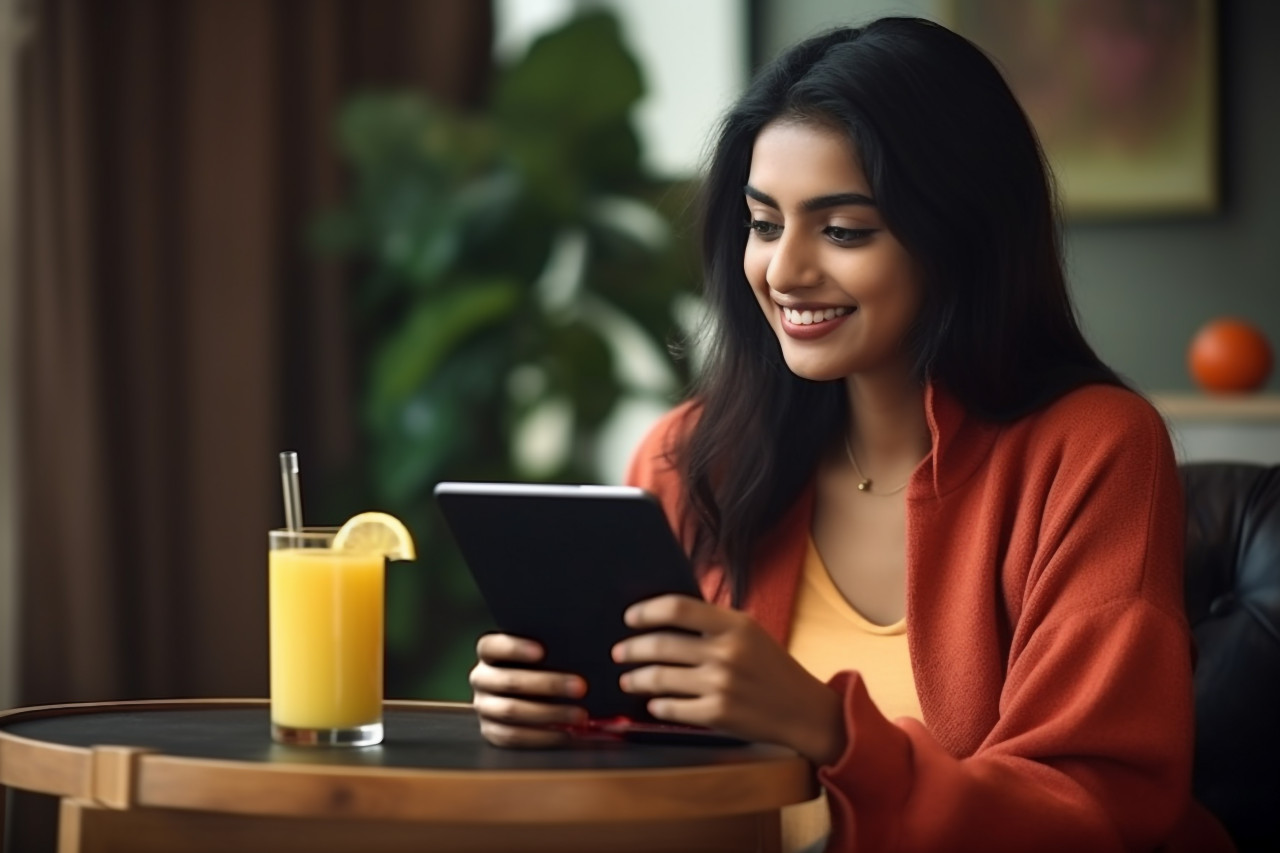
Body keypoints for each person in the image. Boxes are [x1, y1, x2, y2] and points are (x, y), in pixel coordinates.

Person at [468, 16, 1233, 853]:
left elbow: (1095, 811)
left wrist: (824, 723)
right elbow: (658, 779)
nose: (785, 271)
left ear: (959, 237)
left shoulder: (1094, 449)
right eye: (764, 224)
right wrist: (561, 715)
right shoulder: (690, 456)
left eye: (843, 230)